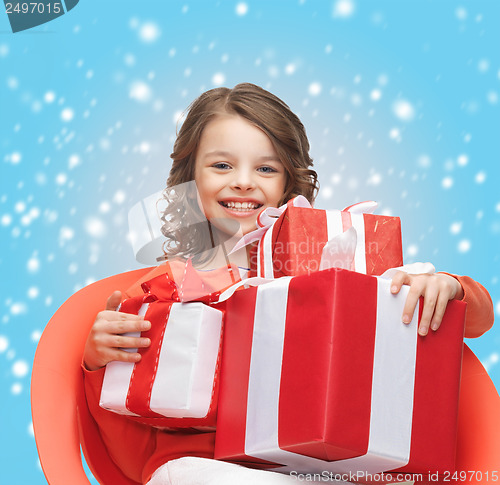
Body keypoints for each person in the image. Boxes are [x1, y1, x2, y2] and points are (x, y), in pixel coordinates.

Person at [82, 83, 494, 485]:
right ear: (189, 181)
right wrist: (100, 362)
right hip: (201, 467)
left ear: (288, 182)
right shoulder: (168, 286)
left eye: (265, 168)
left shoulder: (329, 266)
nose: (243, 181)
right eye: (222, 165)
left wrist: (449, 288)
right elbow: (127, 434)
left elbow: (474, 322)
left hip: (320, 465)